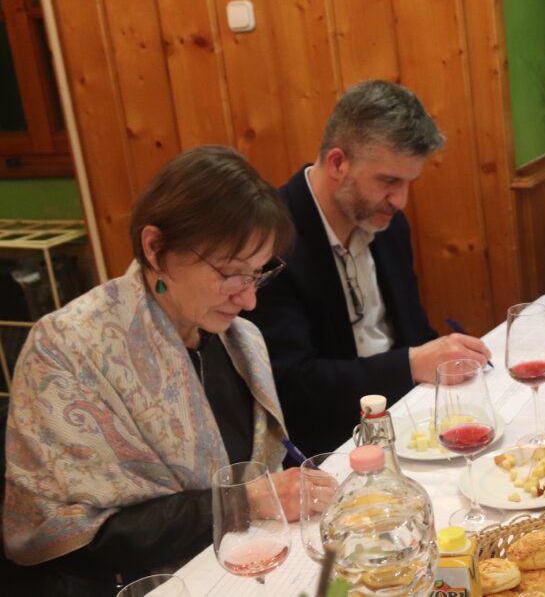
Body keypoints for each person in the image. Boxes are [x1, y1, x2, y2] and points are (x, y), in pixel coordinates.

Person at [2, 146, 330, 595]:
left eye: (257, 274)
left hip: (241, 570)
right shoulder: (66, 350)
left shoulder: (241, 343)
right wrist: (246, 501)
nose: (249, 299)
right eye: (230, 273)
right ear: (155, 249)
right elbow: (66, 541)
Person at [247, 80, 490, 458]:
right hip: (331, 447)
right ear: (338, 163)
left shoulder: (387, 224)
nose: (401, 200)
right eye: (389, 181)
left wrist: (444, 355)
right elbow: (295, 385)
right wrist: (411, 364)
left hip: (407, 418)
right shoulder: (271, 242)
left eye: (408, 183)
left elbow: (412, 332)